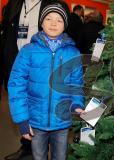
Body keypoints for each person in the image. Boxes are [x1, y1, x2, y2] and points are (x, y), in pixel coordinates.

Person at [8, 2, 85, 160]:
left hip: (61, 121)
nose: (53, 23)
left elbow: (76, 84)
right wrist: (22, 119)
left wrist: (77, 104)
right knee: (39, 156)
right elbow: (16, 85)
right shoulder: (28, 51)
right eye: (49, 18)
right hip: (36, 121)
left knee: (60, 156)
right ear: (41, 22)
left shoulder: (73, 53)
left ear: (65, 25)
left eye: (59, 20)